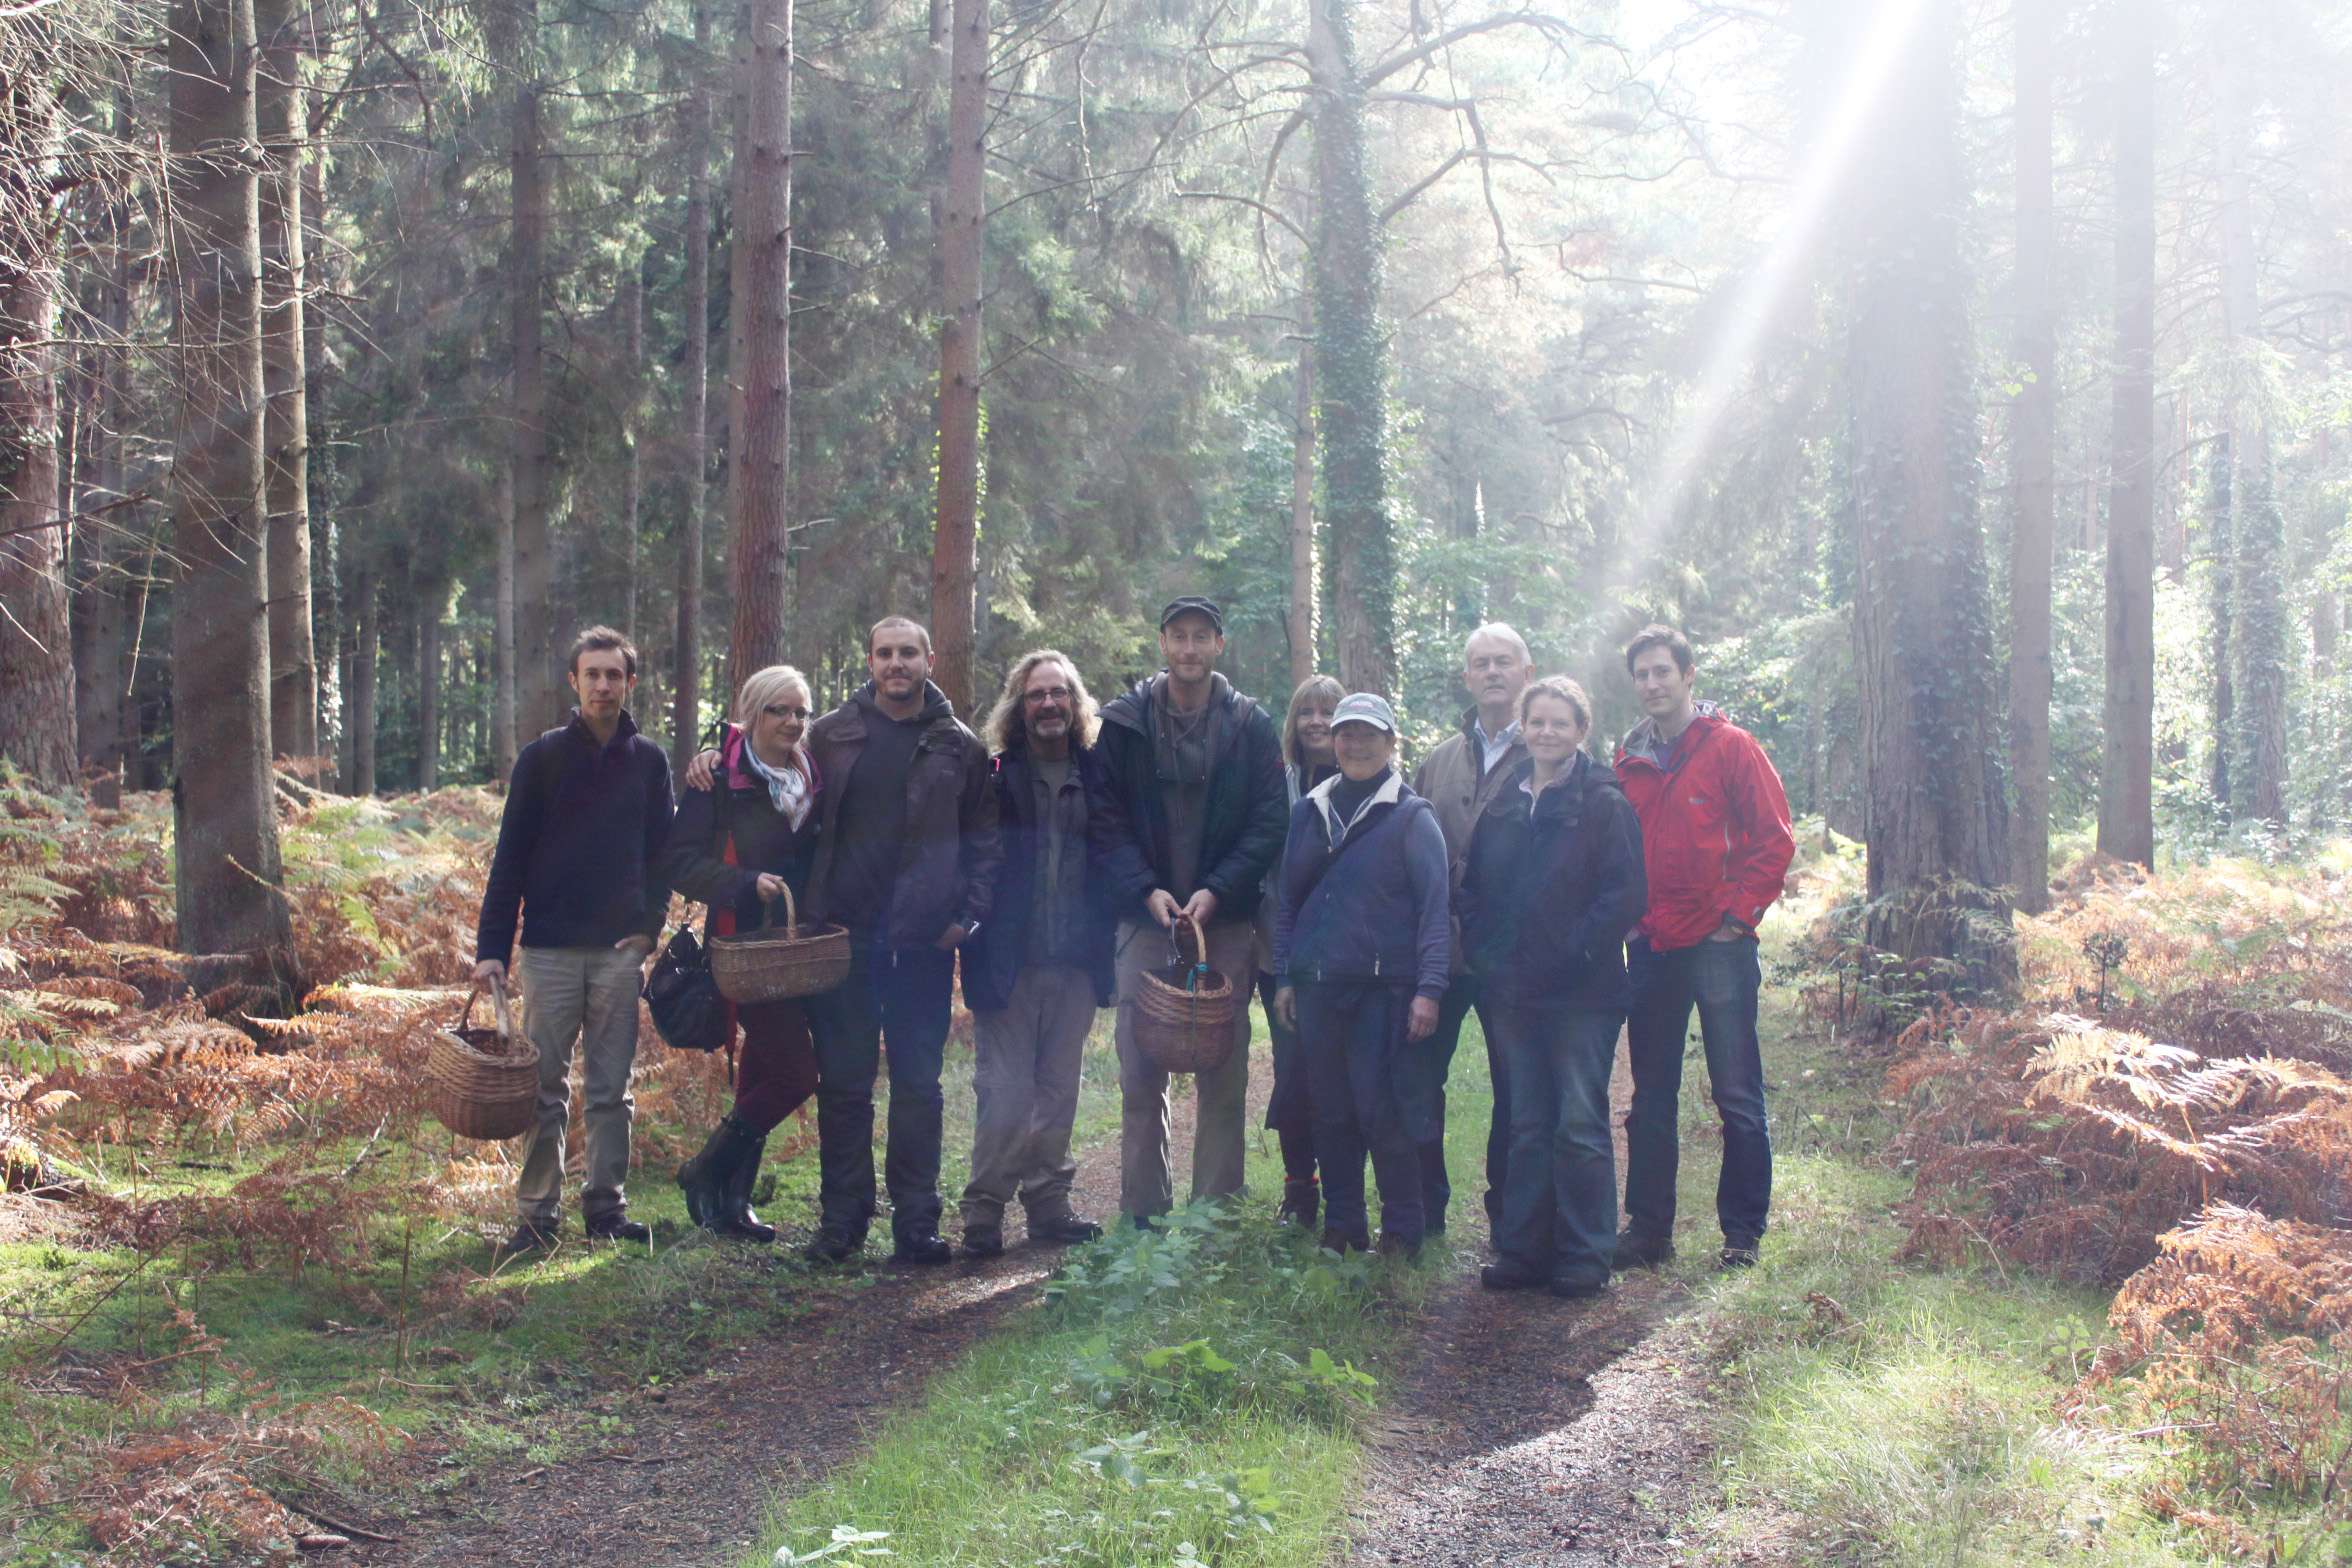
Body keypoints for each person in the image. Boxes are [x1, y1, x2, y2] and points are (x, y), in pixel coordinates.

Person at [799, 616, 1002, 1264]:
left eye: (908, 653)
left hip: (921, 944)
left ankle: (916, 1223)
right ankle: (842, 1224)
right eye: (885, 653)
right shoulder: (830, 736)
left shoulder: (958, 746)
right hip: (845, 939)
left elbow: (985, 845)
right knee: (846, 1086)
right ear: (869, 660)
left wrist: (965, 918)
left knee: (919, 1086)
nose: (896, 664)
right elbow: (782, 798)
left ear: (930, 660)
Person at [474, 626, 674, 1252]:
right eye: (593, 674)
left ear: (630, 683)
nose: (603, 685)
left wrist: (648, 931)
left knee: (612, 1089)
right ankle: (536, 1217)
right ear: (574, 681)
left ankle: (606, 1209)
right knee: (543, 1088)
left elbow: (662, 856)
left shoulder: (649, 762)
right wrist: (491, 949)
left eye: (615, 675)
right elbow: (510, 859)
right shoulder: (542, 760)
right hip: (549, 953)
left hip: (618, 954)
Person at [1090, 596, 1287, 1225]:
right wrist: (1146, 889)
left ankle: (1215, 1215)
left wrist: (1219, 890)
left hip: (1222, 924)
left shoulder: (1251, 725)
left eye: (1202, 637)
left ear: (1219, 646)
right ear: (1162, 643)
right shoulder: (1122, 725)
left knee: (1223, 1073)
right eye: (1179, 636)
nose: (1190, 649)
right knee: (1141, 1072)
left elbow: (1268, 823)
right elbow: (1103, 819)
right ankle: (1142, 1214)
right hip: (1145, 920)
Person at [1612, 624, 1794, 1271]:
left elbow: (1774, 839)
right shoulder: (1626, 762)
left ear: (1689, 676)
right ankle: (1648, 1231)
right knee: (1650, 1095)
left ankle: (1742, 1234)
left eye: (1664, 671)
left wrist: (1737, 918)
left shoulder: (1731, 748)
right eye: (1643, 674)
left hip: (1719, 947)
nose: (1654, 683)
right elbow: (1615, 850)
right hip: (1654, 946)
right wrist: (1629, 920)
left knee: (1736, 1093)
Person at [1461, 677, 1646, 1297]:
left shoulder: (1603, 802)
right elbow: (1475, 891)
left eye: (1559, 723)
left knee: (1578, 1122)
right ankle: (1523, 1252)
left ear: (1580, 730)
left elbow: (1624, 894)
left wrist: (1573, 952)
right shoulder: (1505, 803)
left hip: (1582, 994)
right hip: (1513, 992)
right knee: (1528, 1122)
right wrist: (1489, 958)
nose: (1546, 732)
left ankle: (1585, 1256)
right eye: (1536, 721)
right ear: (1523, 727)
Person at [1270, 693, 1450, 1256]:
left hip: (1386, 991)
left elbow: (1434, 910)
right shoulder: (1310, 811)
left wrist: (1429, 989)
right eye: (1346, 733)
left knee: (1383, 1111)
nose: (1355, 742)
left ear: (1392, 741)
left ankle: (1402, 1231)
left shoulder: (1413, 817)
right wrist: (1285, 976)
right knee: (1330, 1111)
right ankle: (1343, 1228)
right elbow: (1286, 901)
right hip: (1320, 988)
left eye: (1369, 733)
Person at [956, 651, 1114, 1256]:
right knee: (1005, 1093)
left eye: (1059, 694)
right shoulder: (994, 775)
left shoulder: (1097, 774)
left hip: (1076, 961)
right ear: (1018, 708)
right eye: (1035, 695)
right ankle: (983, 1215)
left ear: (1075, 704)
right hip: (1008, 962)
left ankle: (1049, 1207)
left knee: (1059, 1090)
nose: (1048, 704)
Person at [661, 665, 823, 1243]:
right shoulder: (720, 781)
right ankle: (705, 1168)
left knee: (763, 1067)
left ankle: (732, 1200)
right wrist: (742, 881)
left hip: (803, 948)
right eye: (778, 710)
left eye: (801, 711)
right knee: (799, 1073)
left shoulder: (811, 773)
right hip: (745, 949)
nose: (791, 721)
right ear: (752, 715)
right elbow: (677, 862)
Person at [1408, 623, 1533, 1234]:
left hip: (1512, 955)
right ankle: (1424, 1215)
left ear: (1526, 673)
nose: (1492, 672)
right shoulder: (1437, 761)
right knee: (1420, 1080)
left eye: (1503, 662)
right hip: (1440, 952)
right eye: (1480, 663)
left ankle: (1511, 1219)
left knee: (1517, 1087)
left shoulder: (1549, 750)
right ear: (1467, 677)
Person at [1257, 675, 1343, 1229]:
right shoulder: (1277, 783)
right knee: (1292, 1072)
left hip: (1348, 957)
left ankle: (1346, 1193)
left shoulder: (1366, 780)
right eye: (1306, 711)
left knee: (1340, 1076)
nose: (1317, 721)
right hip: (1280, 950)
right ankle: (1299, 1189)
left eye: (1328, 711)